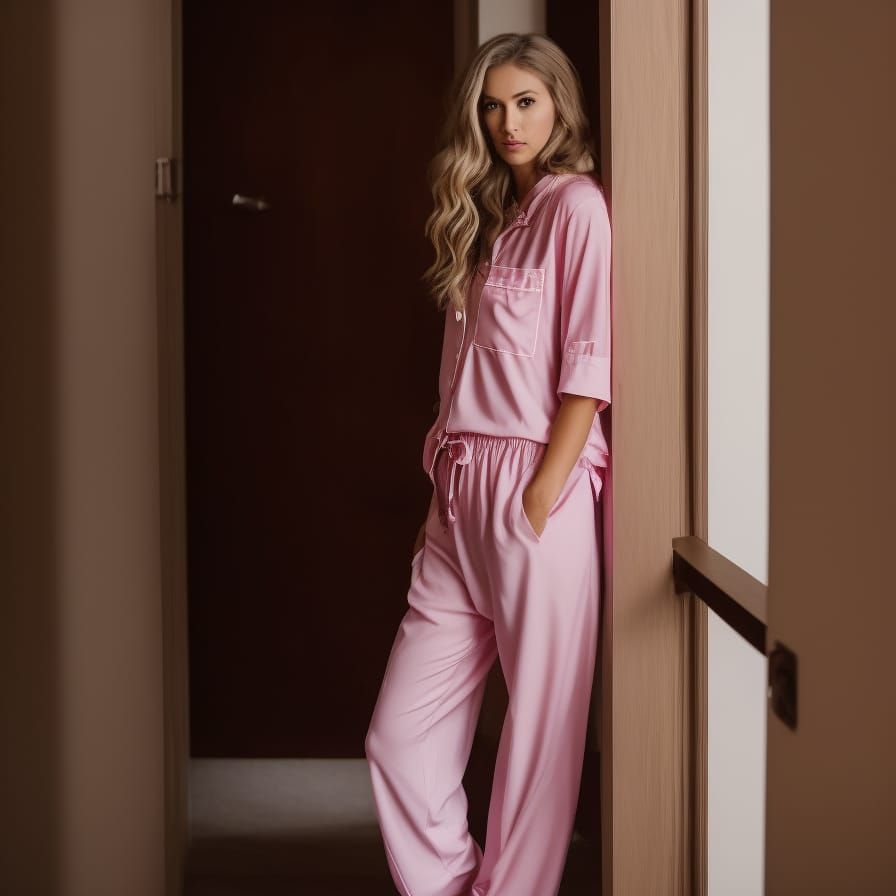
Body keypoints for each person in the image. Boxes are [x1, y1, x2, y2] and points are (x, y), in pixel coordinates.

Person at [364, 31, 611, 896]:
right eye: (494, 105)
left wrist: (541, 494)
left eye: (527, 102)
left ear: (558, 107)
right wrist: (450, 497)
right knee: (396, 737)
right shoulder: (484, 217)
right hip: (459, 492)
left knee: (539, 743)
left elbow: (589, 362)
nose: (509, 122)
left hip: (533, 490)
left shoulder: (576, 208)